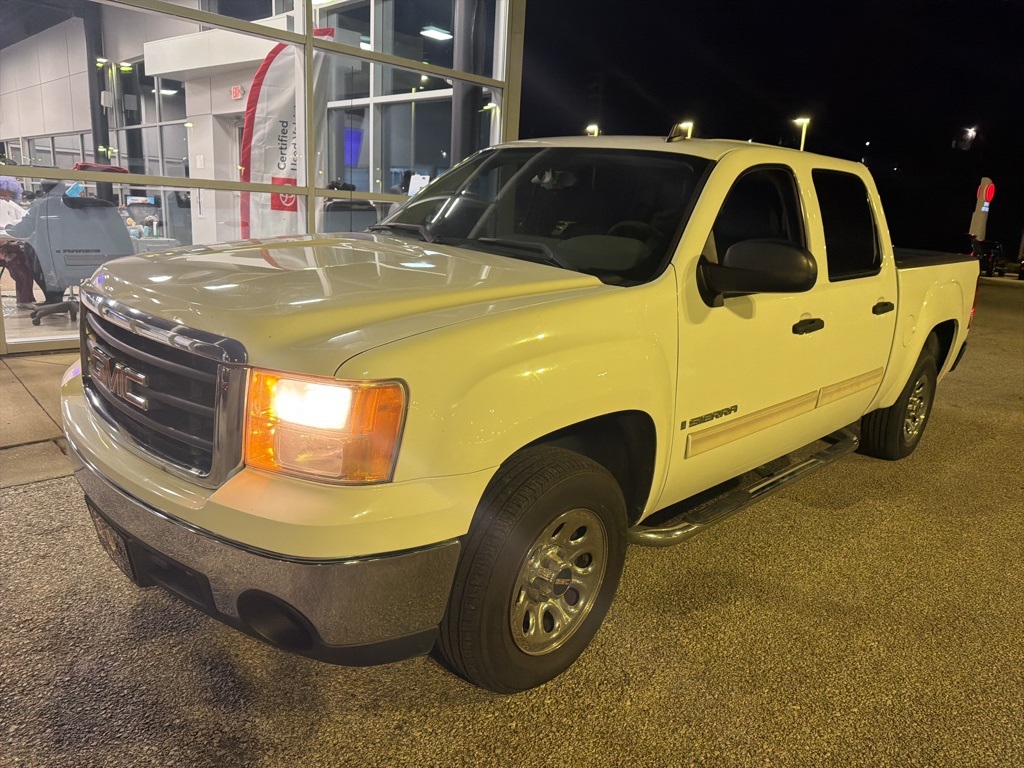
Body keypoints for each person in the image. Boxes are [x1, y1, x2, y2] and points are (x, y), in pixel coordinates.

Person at [0, 176, 37, 309]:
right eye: (1, 197)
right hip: (5, 248)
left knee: (26, 257)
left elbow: (24, 226)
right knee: (19, 259)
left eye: (8, 197)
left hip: (11, 247)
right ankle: (25, 299)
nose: (4, 200)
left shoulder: (15, 209)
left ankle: (25, 299)